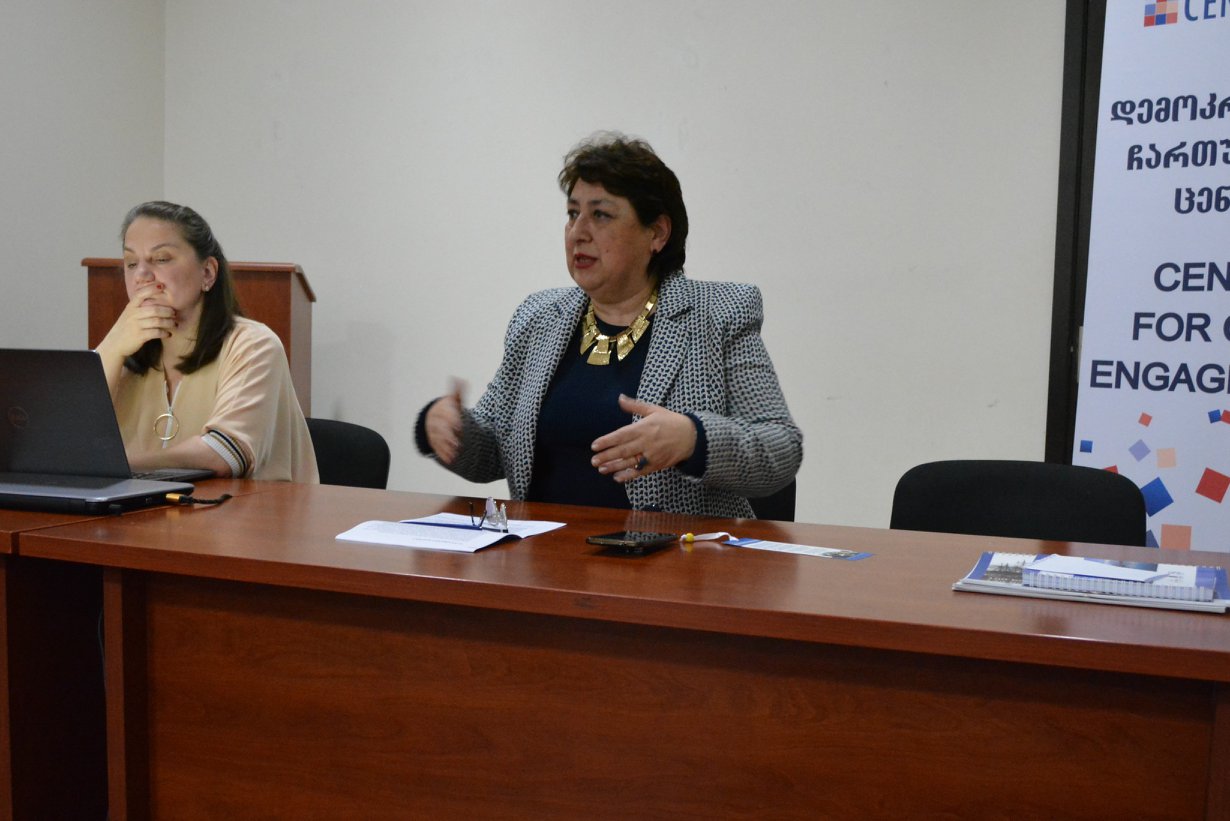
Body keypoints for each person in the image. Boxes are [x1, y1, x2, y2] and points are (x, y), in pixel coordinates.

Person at [417, 134, 801, 517]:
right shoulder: (539, 317)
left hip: (675, 552)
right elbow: (492, 451)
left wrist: (693, 439)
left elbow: (780, 448)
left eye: (600, 215)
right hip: (542, 550)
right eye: (573, 214)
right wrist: (448, 427)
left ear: (657, 233)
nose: (578, 232)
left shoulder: (718, 314)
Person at [95, 201, 318, 483]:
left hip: (249, 510)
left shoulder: (253, 345)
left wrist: (119, 467)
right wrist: (111, 347)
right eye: (131, 263)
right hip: (149, 509)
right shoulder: (122, 356)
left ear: (208, 272)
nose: (141, 276)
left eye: (161, 259)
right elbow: (64, 448)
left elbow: (224, 454)